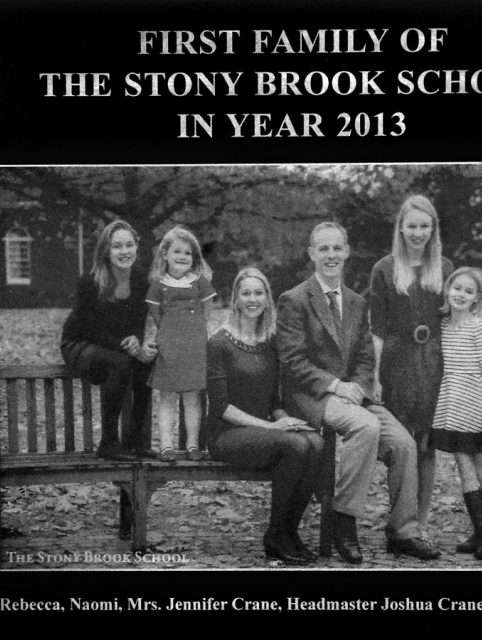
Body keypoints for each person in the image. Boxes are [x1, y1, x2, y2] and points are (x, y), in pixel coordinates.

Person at [277, 221, 440, 564]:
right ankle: (344, 522)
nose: (331, 255)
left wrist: (359, 387)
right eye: (324, 249)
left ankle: (403, 532)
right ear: (312, 254)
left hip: (354, 396)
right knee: (365, 427)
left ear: (347, 252)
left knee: (404, 445)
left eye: (337, 248)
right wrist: (336, 386)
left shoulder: (355, 302)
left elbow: (366, 356)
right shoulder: (294, 300)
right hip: (313, 396)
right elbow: (292, 361)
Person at [207, 267, 324, 565]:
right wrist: (274, 428)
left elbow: (273, 400)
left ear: (267, 299)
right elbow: (222, 407)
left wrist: (287, 420)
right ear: (235, 299)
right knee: (295, 446)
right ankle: (275, 535)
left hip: (265, 431)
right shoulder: (219, 343)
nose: (252, 299)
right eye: (245, 293)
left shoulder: (270, 342)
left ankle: (289, 532)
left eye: (258, 293)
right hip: (226, 434)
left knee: (315, 442)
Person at [369, 194, 453, 536]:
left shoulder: (444, 267)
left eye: (424, 226)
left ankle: (420, 521)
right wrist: (374, 376)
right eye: (412, 226)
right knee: (402, 443)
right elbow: (376, 328)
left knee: (427, 443)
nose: (418, 233)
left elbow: (453, 323)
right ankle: (401, 519)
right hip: (397, 360)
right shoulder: (384, 269)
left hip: (434, 360)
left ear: (433, 229)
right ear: (400, 229)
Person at [430, 266, 482, 560]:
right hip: (450, 407)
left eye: (468, 291)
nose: (460, 295)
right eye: (457, 288)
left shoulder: (479, 328)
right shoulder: (442, 325)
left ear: (476, 299)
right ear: (448, 288)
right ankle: (481, 534)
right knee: (464, 468)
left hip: (476, 406)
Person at [61, 219, 154, 461]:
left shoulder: (140, 280)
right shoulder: (90, 281)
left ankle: (136, 442)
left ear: (136, 247)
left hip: (114, 346)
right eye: (117, 246)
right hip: (79, 343)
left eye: (129, 245)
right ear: (106, 250)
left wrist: (137, 341)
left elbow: (138, 322)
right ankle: (109, 443)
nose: (125, 252)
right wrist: (126, 346)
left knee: (146, 362)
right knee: (120, 362)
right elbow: (88, 329)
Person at [145, 226, 216, 462]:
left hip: (194, 346)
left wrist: (193, 330)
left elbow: (207, 309)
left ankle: (193, 445)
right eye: (177, 251)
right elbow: (155, 312)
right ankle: (166, 445)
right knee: (166, 397)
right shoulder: (158, 284)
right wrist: (170, 332)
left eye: (188, 253)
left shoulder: (199, 282)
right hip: (169, 346)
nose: (183, 257)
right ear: (165, 254)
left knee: (193, 398)